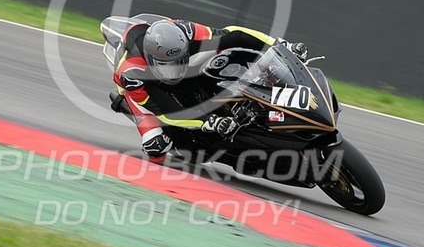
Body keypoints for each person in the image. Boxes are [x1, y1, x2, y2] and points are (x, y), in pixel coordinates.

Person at [108, 17, 308, 163]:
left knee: (224, 53)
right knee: (157, 148)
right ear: (152, 60)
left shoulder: (188, 33)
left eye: (179, 62)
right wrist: (210, 122)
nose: (175, 69)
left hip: (166, 38)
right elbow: (169, 111)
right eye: (168, 66)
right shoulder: (131, 74)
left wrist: (280, 46)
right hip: (140, 91)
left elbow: (234, 34)